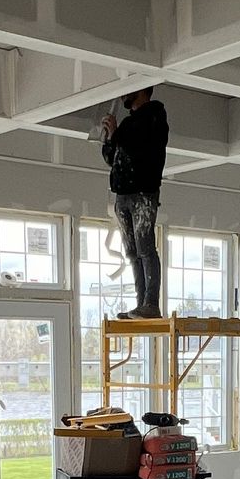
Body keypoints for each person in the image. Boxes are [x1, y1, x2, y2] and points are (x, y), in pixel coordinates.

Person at [100, 87, 168, 320]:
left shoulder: (155, 116)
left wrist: (116, 133)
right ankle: (141, 304)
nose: (123, 96)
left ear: (141, 90)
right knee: (132, 252)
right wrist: (110, 137)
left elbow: (138, 147)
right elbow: (112, 158)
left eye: (128, 91)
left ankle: (151, 304)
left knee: (145, 248)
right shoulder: (128, 124)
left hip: (143, 193)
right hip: (123, 194)